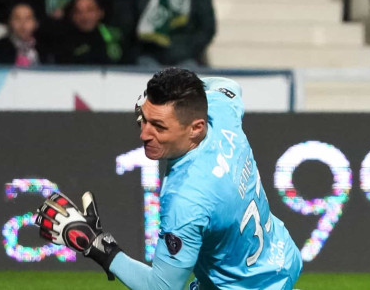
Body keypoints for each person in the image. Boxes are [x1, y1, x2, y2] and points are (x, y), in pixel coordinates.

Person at [34, 68, 303, 289]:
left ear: (195, 129)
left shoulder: (186, 199)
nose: (144, 134)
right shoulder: (220, 112)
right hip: (282, 259)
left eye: (159, 126)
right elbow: (229, 85)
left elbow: (162, 287)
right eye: (145, 119)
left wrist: (96, 245)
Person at [48, 0, 124, 65]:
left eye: (90, 10)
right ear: (72, 16)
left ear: (100, 12)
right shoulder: (64, 43)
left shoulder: (115, 36)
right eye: (78, 12)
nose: (85, 17)